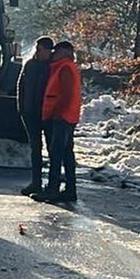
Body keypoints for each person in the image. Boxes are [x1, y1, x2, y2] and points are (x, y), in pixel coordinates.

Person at [34, 40, 82, 204]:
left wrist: (57, 114)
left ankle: (52, 189)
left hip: (61, 117)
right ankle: (70, 189)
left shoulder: (65, 67)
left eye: (57, 50)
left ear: (64, 52)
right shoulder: (66, 67)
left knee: (56, 154)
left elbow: (65, 94)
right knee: (66, 154)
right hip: (68, 116)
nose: (53, 53)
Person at [16, 37, 55, 196]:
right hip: (30, 112)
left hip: (47, 114)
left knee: (53, 150)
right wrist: (22, 108)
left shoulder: (53, 67)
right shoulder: (30, 65)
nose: (37, 53)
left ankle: (52, 184)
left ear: (48, 51)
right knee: (35, 149)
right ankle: (36, 182)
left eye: (40, 50)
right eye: (36, 49)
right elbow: (21, 86)